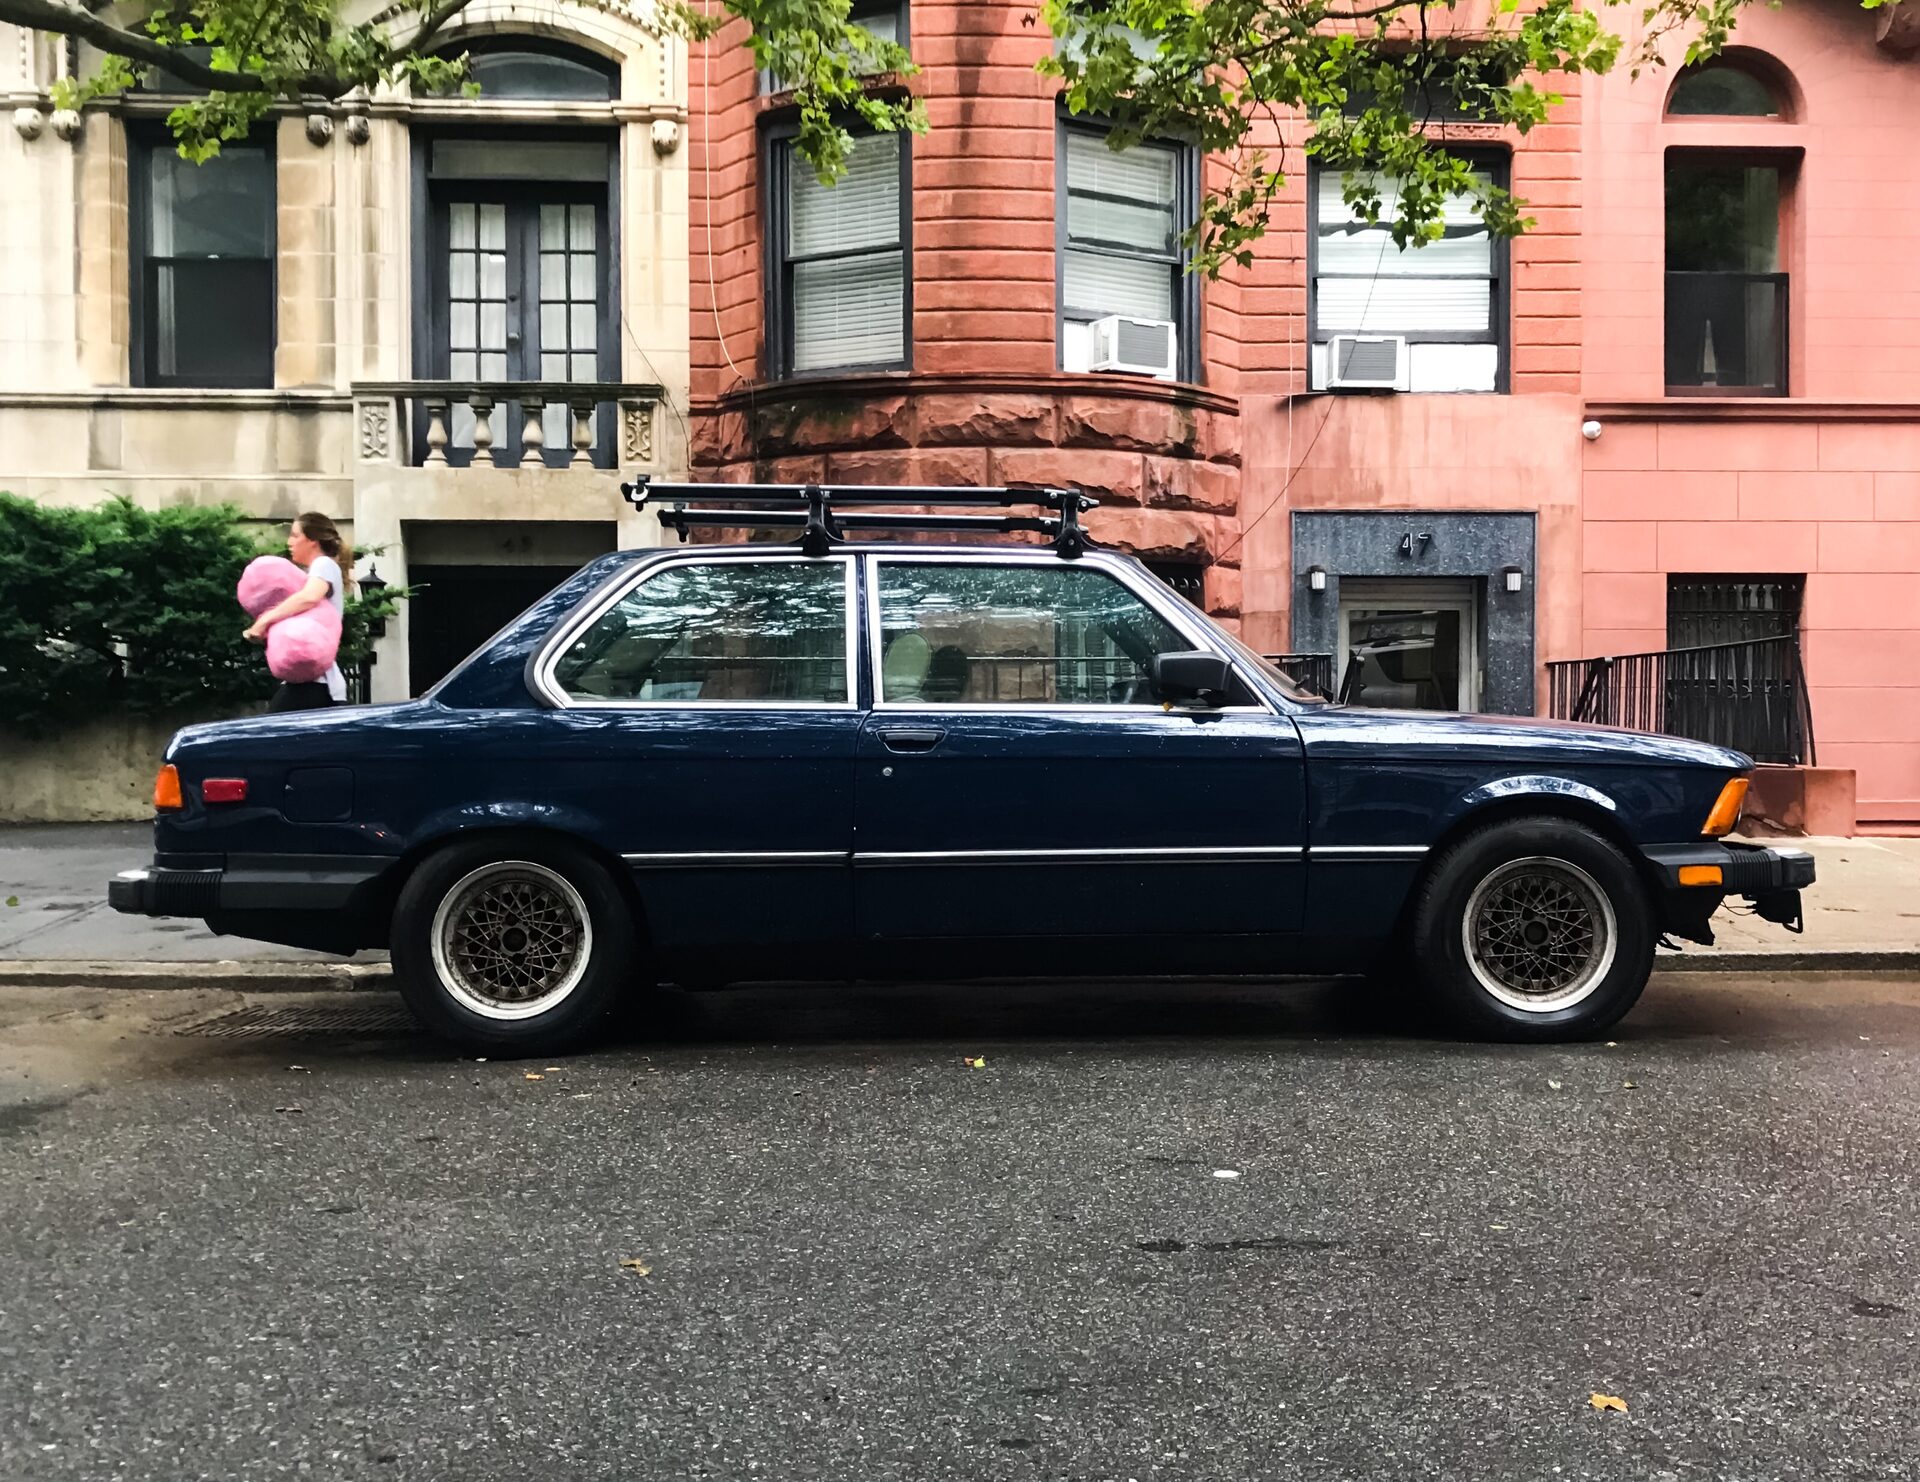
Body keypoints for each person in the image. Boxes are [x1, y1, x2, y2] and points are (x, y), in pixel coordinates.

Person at [246, 512, 351, 712]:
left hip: (317, 684)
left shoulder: (324, 564)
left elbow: (309, 597)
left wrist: (265, 620)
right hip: (314, 683)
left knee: (268, 736)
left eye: (295, 535)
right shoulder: (316, 570)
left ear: (312, 540)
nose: (289, 541)